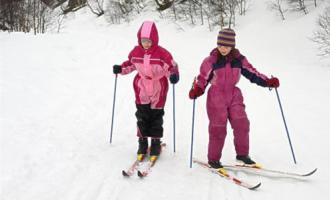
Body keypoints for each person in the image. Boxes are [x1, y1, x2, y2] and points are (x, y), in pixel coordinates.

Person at [188, 28, 279, 170]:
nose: (222, 49)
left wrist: (268, 81)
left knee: (242, 123)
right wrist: (197, 89)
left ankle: (242, 155)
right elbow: (202, 78)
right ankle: (214, 159)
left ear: (232, 45)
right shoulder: (210, 61)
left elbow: (252, 72)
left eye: (226, 46)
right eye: (220, 45)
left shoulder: (239, 60)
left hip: (234, 94)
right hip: (216, 97)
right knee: (218, 128)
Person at [113, 21, 179, 159]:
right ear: (139, 40)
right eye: (143, 41)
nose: (146, 44)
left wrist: (173, 75)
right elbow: (130, 65)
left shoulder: (162, 53)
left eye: (149, 41)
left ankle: (155, 143)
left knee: (156, 116)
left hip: (158, 87)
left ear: (154, 40)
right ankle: (142, 143)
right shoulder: (136, 52)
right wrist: (120, 68)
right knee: (142, 116)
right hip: (141, 86)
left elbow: (171, 66)